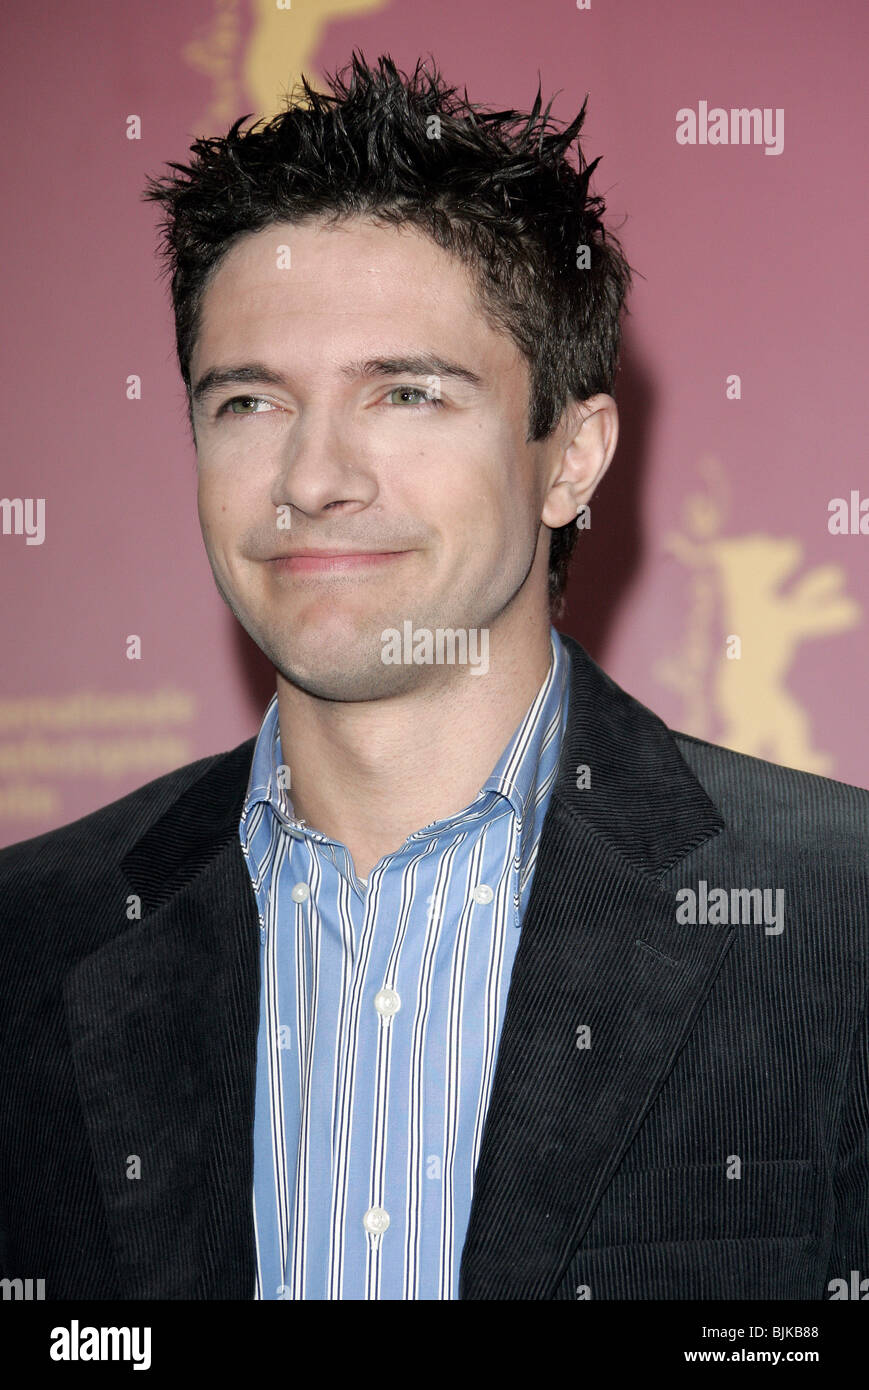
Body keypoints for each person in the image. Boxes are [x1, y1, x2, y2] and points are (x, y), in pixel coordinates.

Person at [0, 52, 866, 1302]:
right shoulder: (32, 941)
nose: (312, 478)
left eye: (405, 392)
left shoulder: (834, 925)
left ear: (569, 457)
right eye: (247, 402)